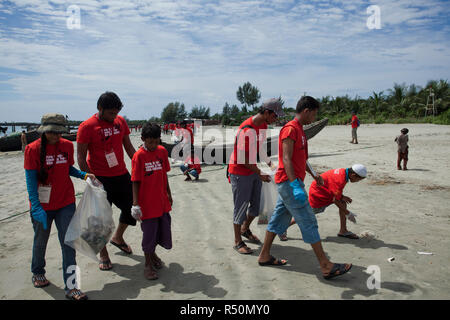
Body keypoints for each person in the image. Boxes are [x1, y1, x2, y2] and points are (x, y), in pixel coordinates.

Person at [258, 96, 352, 280]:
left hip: (292, 183)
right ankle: (325, 265)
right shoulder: (291, 129)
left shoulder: (300, 130)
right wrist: (295, 185)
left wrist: (314, 174)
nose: (314, 118)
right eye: (314, 114)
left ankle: (264, 255)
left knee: (278, 220)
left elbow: (301, 158)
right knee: (308, 221)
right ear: (307, 110)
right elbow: (286, 158)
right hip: (289, 183)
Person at [24, 113, 96, 300]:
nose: (56, 136)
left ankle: (72, 286)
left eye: (59, 132)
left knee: (69, 243)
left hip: (65, 202)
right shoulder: (32, 149)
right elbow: (31, 181)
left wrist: (84, 175)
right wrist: (36, 207)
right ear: (44, 131)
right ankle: (38, 271)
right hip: (42, 206)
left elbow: (68, 168)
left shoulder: (65, 145)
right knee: (40, 241)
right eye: (52, 132)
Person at [77, 91, 137, 271]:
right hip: (99, 178)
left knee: (131, 208)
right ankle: (103, 254)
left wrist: (139, 166)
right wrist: (90, 179)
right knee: (99, 219)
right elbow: (80, 156)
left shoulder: (120, 122)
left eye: (116, 113)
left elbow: (129, 147)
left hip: (121, 174)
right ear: (100, 109)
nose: (114, 117)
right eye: (111, 113)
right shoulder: (87, 126)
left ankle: (117, 237)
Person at [228, 98, 283, 255]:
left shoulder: (264, 125)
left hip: (253, 169)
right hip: (240, 172)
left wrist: (271, 165)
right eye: (275, 116)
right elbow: (241, 158)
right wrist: (260, 172)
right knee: (241, 207)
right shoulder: (246, 129)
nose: (276, 119)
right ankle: (238, 241)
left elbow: (260, 148)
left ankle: (245, 228)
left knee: (257, 206)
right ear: (266, 112)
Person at [279, 164, 367, 241]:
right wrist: (348, 213)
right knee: (306, 214)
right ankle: (282, 228)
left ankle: (343, 230)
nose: (357, 182)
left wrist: (342, 197)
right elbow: (335, 200)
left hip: (325, 191)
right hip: (318, 195)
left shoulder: (343, 172)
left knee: (343, 203)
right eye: (358, 180)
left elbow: (335, 190)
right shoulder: (340, 179)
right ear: (353, 175)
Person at [131, 122, 173, 280]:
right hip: (146, 204)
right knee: (149, 234)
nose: (154, 145)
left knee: (162, 230)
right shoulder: (139, 156)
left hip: (161, 201)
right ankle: (147, 264)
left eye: (157, 141)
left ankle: (153, 255)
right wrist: (135, 204)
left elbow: (164, 174)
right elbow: (135, 180)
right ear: (143, 139)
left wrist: (169, 193)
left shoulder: (162, 152)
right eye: (150, 142)